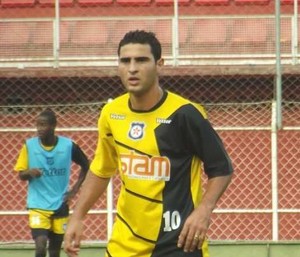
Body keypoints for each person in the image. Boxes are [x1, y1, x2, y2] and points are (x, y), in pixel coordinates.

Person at [64, 30, 234, 257]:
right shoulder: (111, 113)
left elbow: (221, 168)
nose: (132, 68)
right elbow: (101, 170)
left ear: (159, 64)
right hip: (125, 244)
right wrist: (77, 216)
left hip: (180, 242)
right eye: (125, 61)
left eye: (141, 60)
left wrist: (204, 210)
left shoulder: (184, 114)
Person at [14, 108, 89, 257]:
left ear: (53, 126)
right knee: (40, 246)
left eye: (43, 125)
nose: (39, 129)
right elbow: (21, 175)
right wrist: (29, 173)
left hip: (60, 204)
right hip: (38, 205)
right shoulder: (29, 146)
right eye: (38, 125)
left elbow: (86, 165)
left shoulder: (68, 146)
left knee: (54, 251)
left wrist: (74, 191)